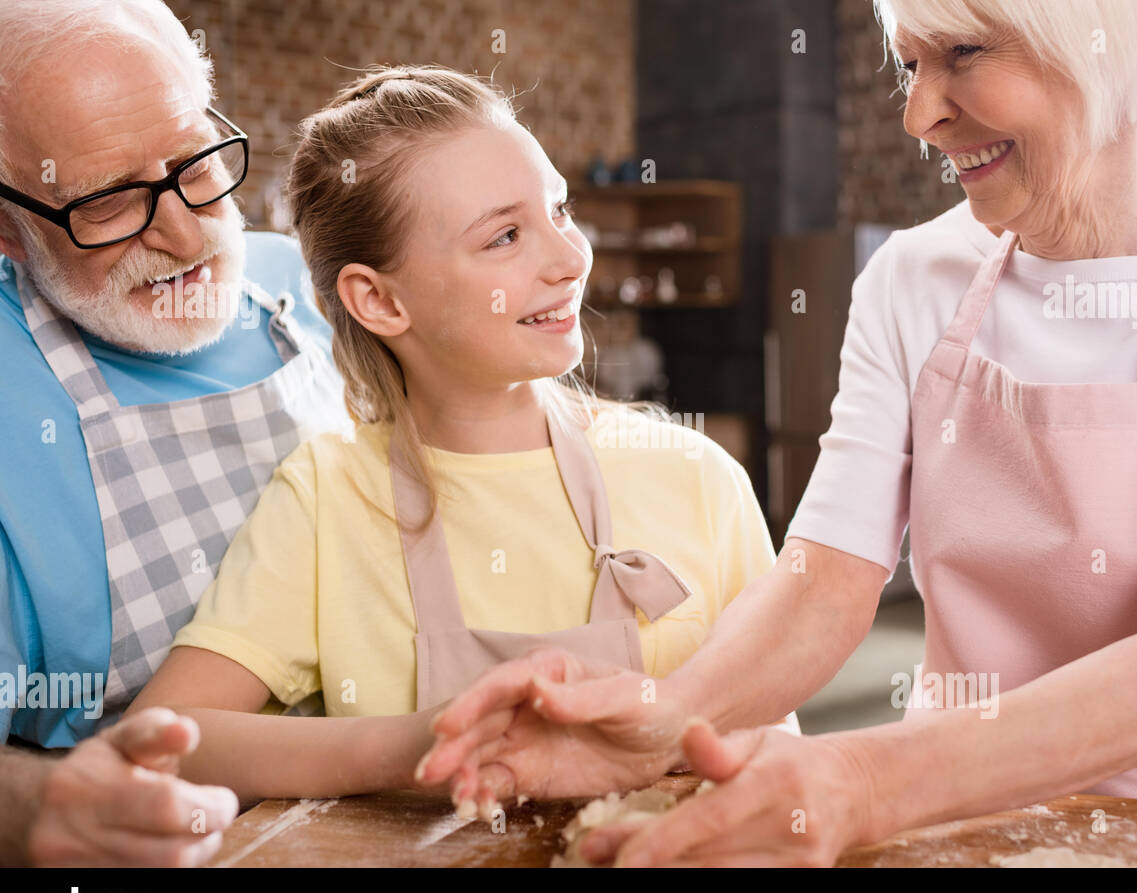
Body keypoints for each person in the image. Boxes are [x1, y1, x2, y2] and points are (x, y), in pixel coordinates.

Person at [415, 0, 1137, 866]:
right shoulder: (911, 280)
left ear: (1104, 44)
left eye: (962, 52)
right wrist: (660, 721)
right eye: (912, 66)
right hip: (957, 821)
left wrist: (861, 783)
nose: (922, 114)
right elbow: (824, 581)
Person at [127, 66, 794, 806]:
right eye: (505, 235)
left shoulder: (696, 476)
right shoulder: (328, 496)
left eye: (560, 210)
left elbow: (777, 754)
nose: (572, 260)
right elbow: (162, 739)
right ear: (378, 300)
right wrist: (423, 740)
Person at [0, 0, 347, 864]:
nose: (187, 234)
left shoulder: (304, 285)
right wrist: (36, 806)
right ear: (6, 226)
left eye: (195, 162)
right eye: (112, 201)